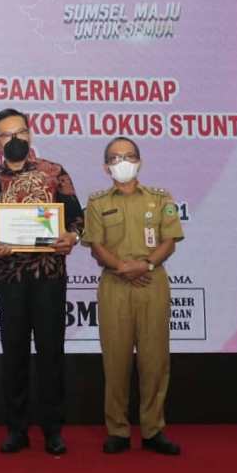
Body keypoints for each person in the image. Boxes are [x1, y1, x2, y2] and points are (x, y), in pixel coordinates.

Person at [0, 108, 83, 455]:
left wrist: (72, 237)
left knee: (51, 354)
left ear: (30, 134)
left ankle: (53, 430)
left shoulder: (54, 173)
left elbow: (77, 218)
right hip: (10, 279)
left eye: (20, 132)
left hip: (50, 277)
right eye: (7, 134)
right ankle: (17, 429)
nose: (15, 139)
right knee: (14, 354)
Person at [81, 136, 184, 456]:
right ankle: (118, 430)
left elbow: (170, 240)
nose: (122, 162)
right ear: (106, 167)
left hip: (152, 282)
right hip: (115, 285)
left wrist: (146, 264)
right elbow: (96, 245)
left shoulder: (160, 198)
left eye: (129, 156)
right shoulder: (97, 202)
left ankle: (153, 430)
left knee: (155, 361)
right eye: (115, 158)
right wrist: (122, 267)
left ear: (139, 162)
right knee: (116, 362)